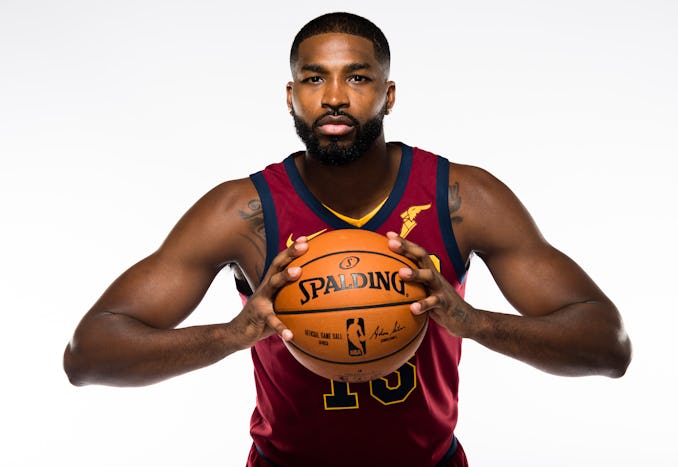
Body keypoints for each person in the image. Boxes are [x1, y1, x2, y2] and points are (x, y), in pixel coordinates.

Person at [63, 12, 632, 467]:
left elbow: (608, 346)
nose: (334, 96)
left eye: (357, 77)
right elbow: (87, 356)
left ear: (388, 94)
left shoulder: (461, 198)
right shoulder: (243, 212)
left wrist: (471, 321)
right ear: (291, 95)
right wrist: (236, 334)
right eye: (315, 78)